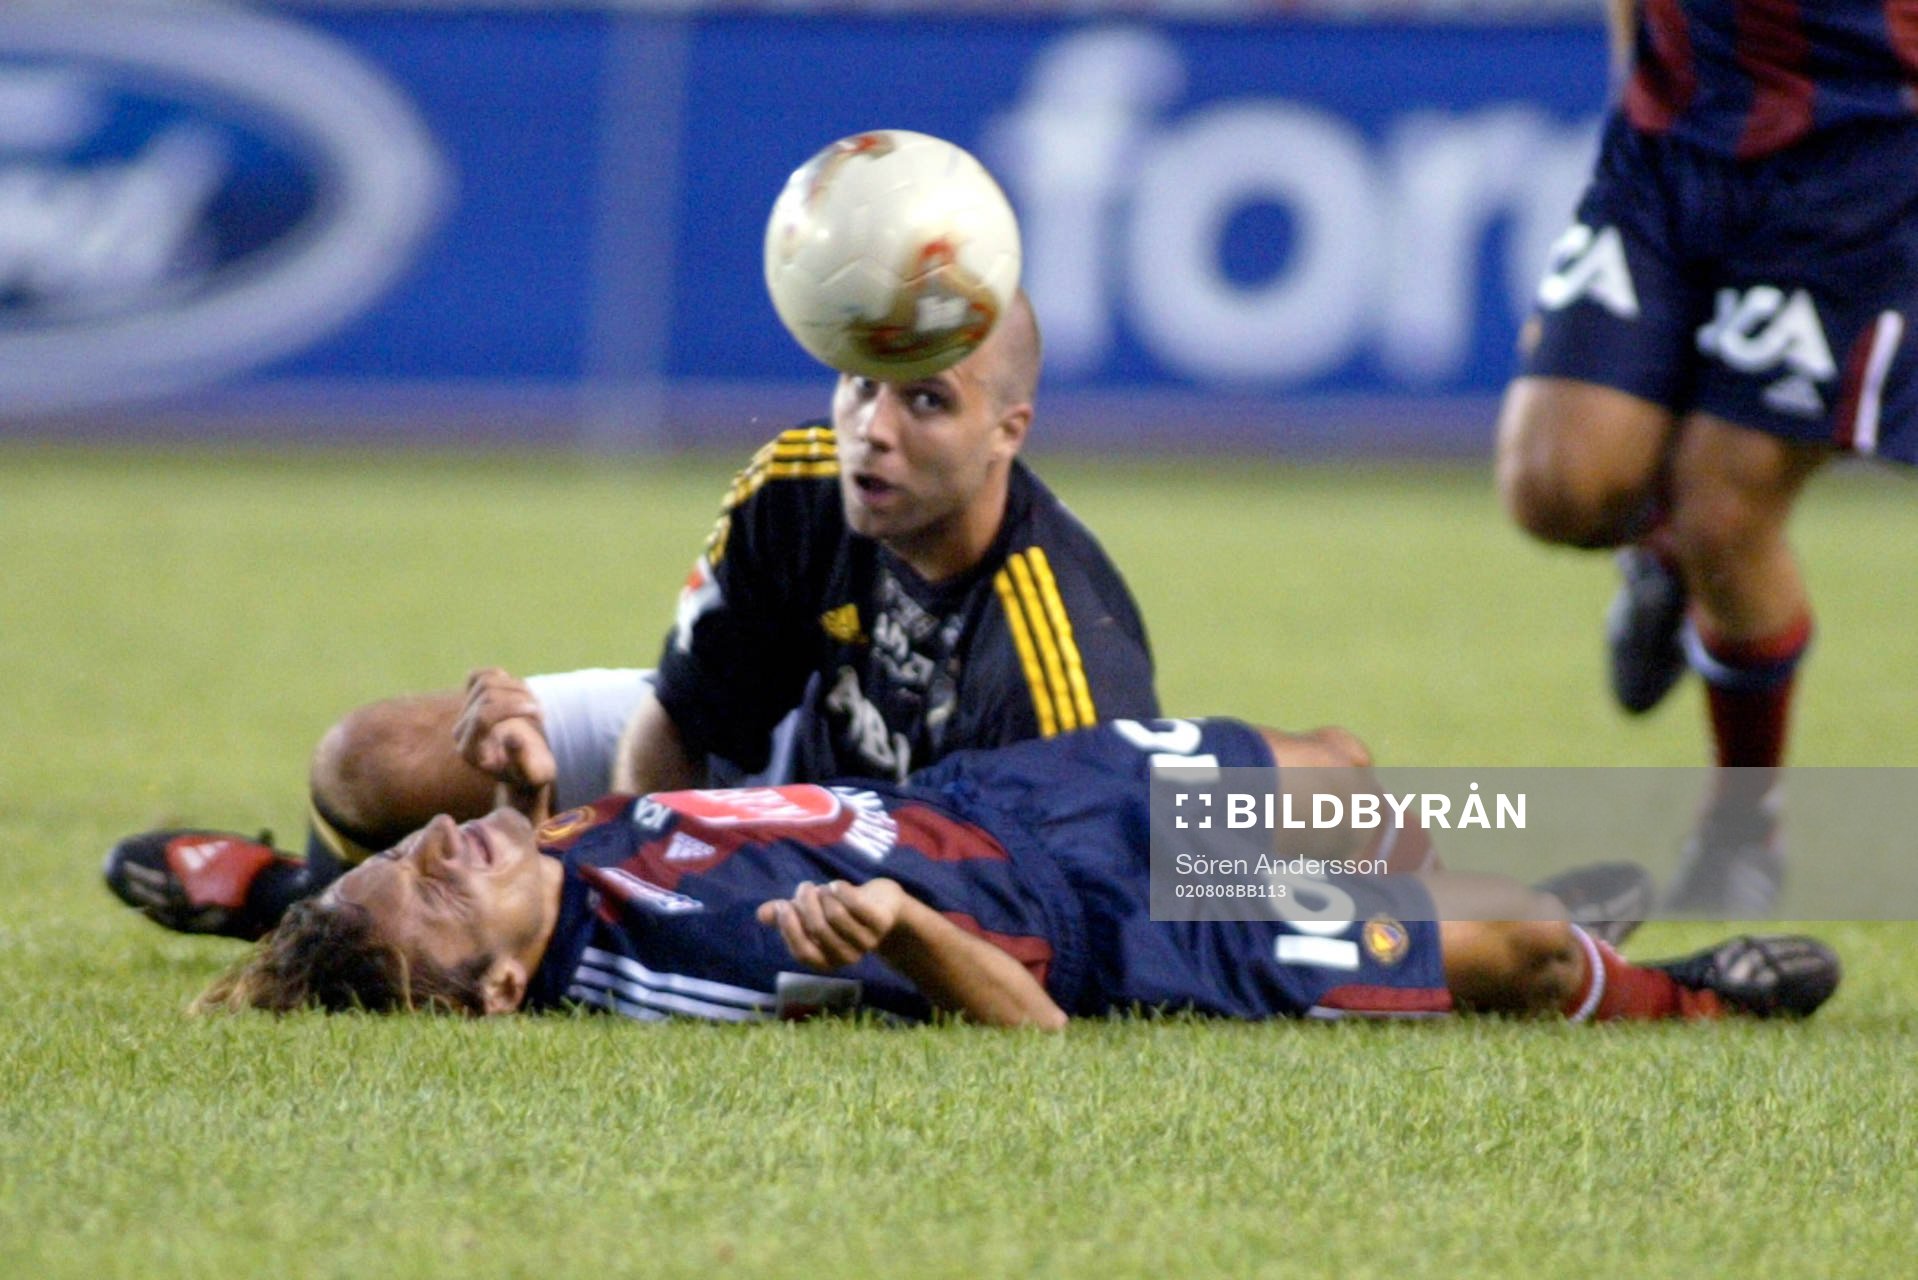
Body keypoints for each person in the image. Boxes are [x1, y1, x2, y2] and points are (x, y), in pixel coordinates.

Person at [109, 291, 1162, 940]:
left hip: (898, 870)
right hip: (759, 780)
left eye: (925, 401)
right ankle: (315, 907)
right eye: (857, 384)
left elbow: (1034, 931)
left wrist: (581, 885)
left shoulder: (1054, 654)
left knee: (1308, 837)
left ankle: (288, 916)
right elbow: (681, 722)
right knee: (366, 757)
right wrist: (590, 848)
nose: (869, 431)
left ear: (1007, 429)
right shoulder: (800, 483)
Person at [193, 714, 1840, 1025]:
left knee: (1337, 763)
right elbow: (1031, 1027)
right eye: (428, 880)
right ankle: (1664, 992)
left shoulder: (544, 869)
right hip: (1101, 916)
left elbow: (441, 872)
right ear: (494, 989)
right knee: (1521, 960)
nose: (433, 841)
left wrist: (265, 895)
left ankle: (1539, 874)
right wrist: (908, 925)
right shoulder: (715, 958)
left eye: (411, 849)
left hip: (1017, 797)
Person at [1494, 0, 1918, 913]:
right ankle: (1659, 552)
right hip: (1668, 141)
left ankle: (1741, 826)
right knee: (1554, 488)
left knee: (1725, 513)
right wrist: (1633, 92)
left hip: (1860, 164)